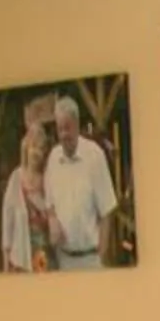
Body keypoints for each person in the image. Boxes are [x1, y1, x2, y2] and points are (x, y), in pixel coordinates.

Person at [41, 94, 119, 269]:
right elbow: (49, 202)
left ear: (77, 125)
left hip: (90, 259)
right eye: (60, 129)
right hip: (62, 260)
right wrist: (52, 219)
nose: (63, 135)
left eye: (67, 128)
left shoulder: (94, 156)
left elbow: (107, 210)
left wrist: (101, 256)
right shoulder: (53, 158)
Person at [0, 128, 56, 272]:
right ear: (26, 148)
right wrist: (6, 258)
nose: (37, 152)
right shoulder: (16, 178)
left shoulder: (48, 179)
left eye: (42, 149)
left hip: (45, 257)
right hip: (20, 258)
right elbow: (8, 219)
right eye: (34, 147)